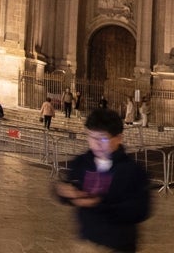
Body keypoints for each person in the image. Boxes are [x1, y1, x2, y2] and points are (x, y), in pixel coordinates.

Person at [54, 107, 151, 252]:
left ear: (118, 138)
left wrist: (99, 204)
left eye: (103, 139)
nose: (96, 144)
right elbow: (69, 184)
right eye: (92, 137)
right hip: (87, 242)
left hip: (118, 245)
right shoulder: (82, 162)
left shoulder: (133, 170)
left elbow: (141, 210)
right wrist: (63, 191)